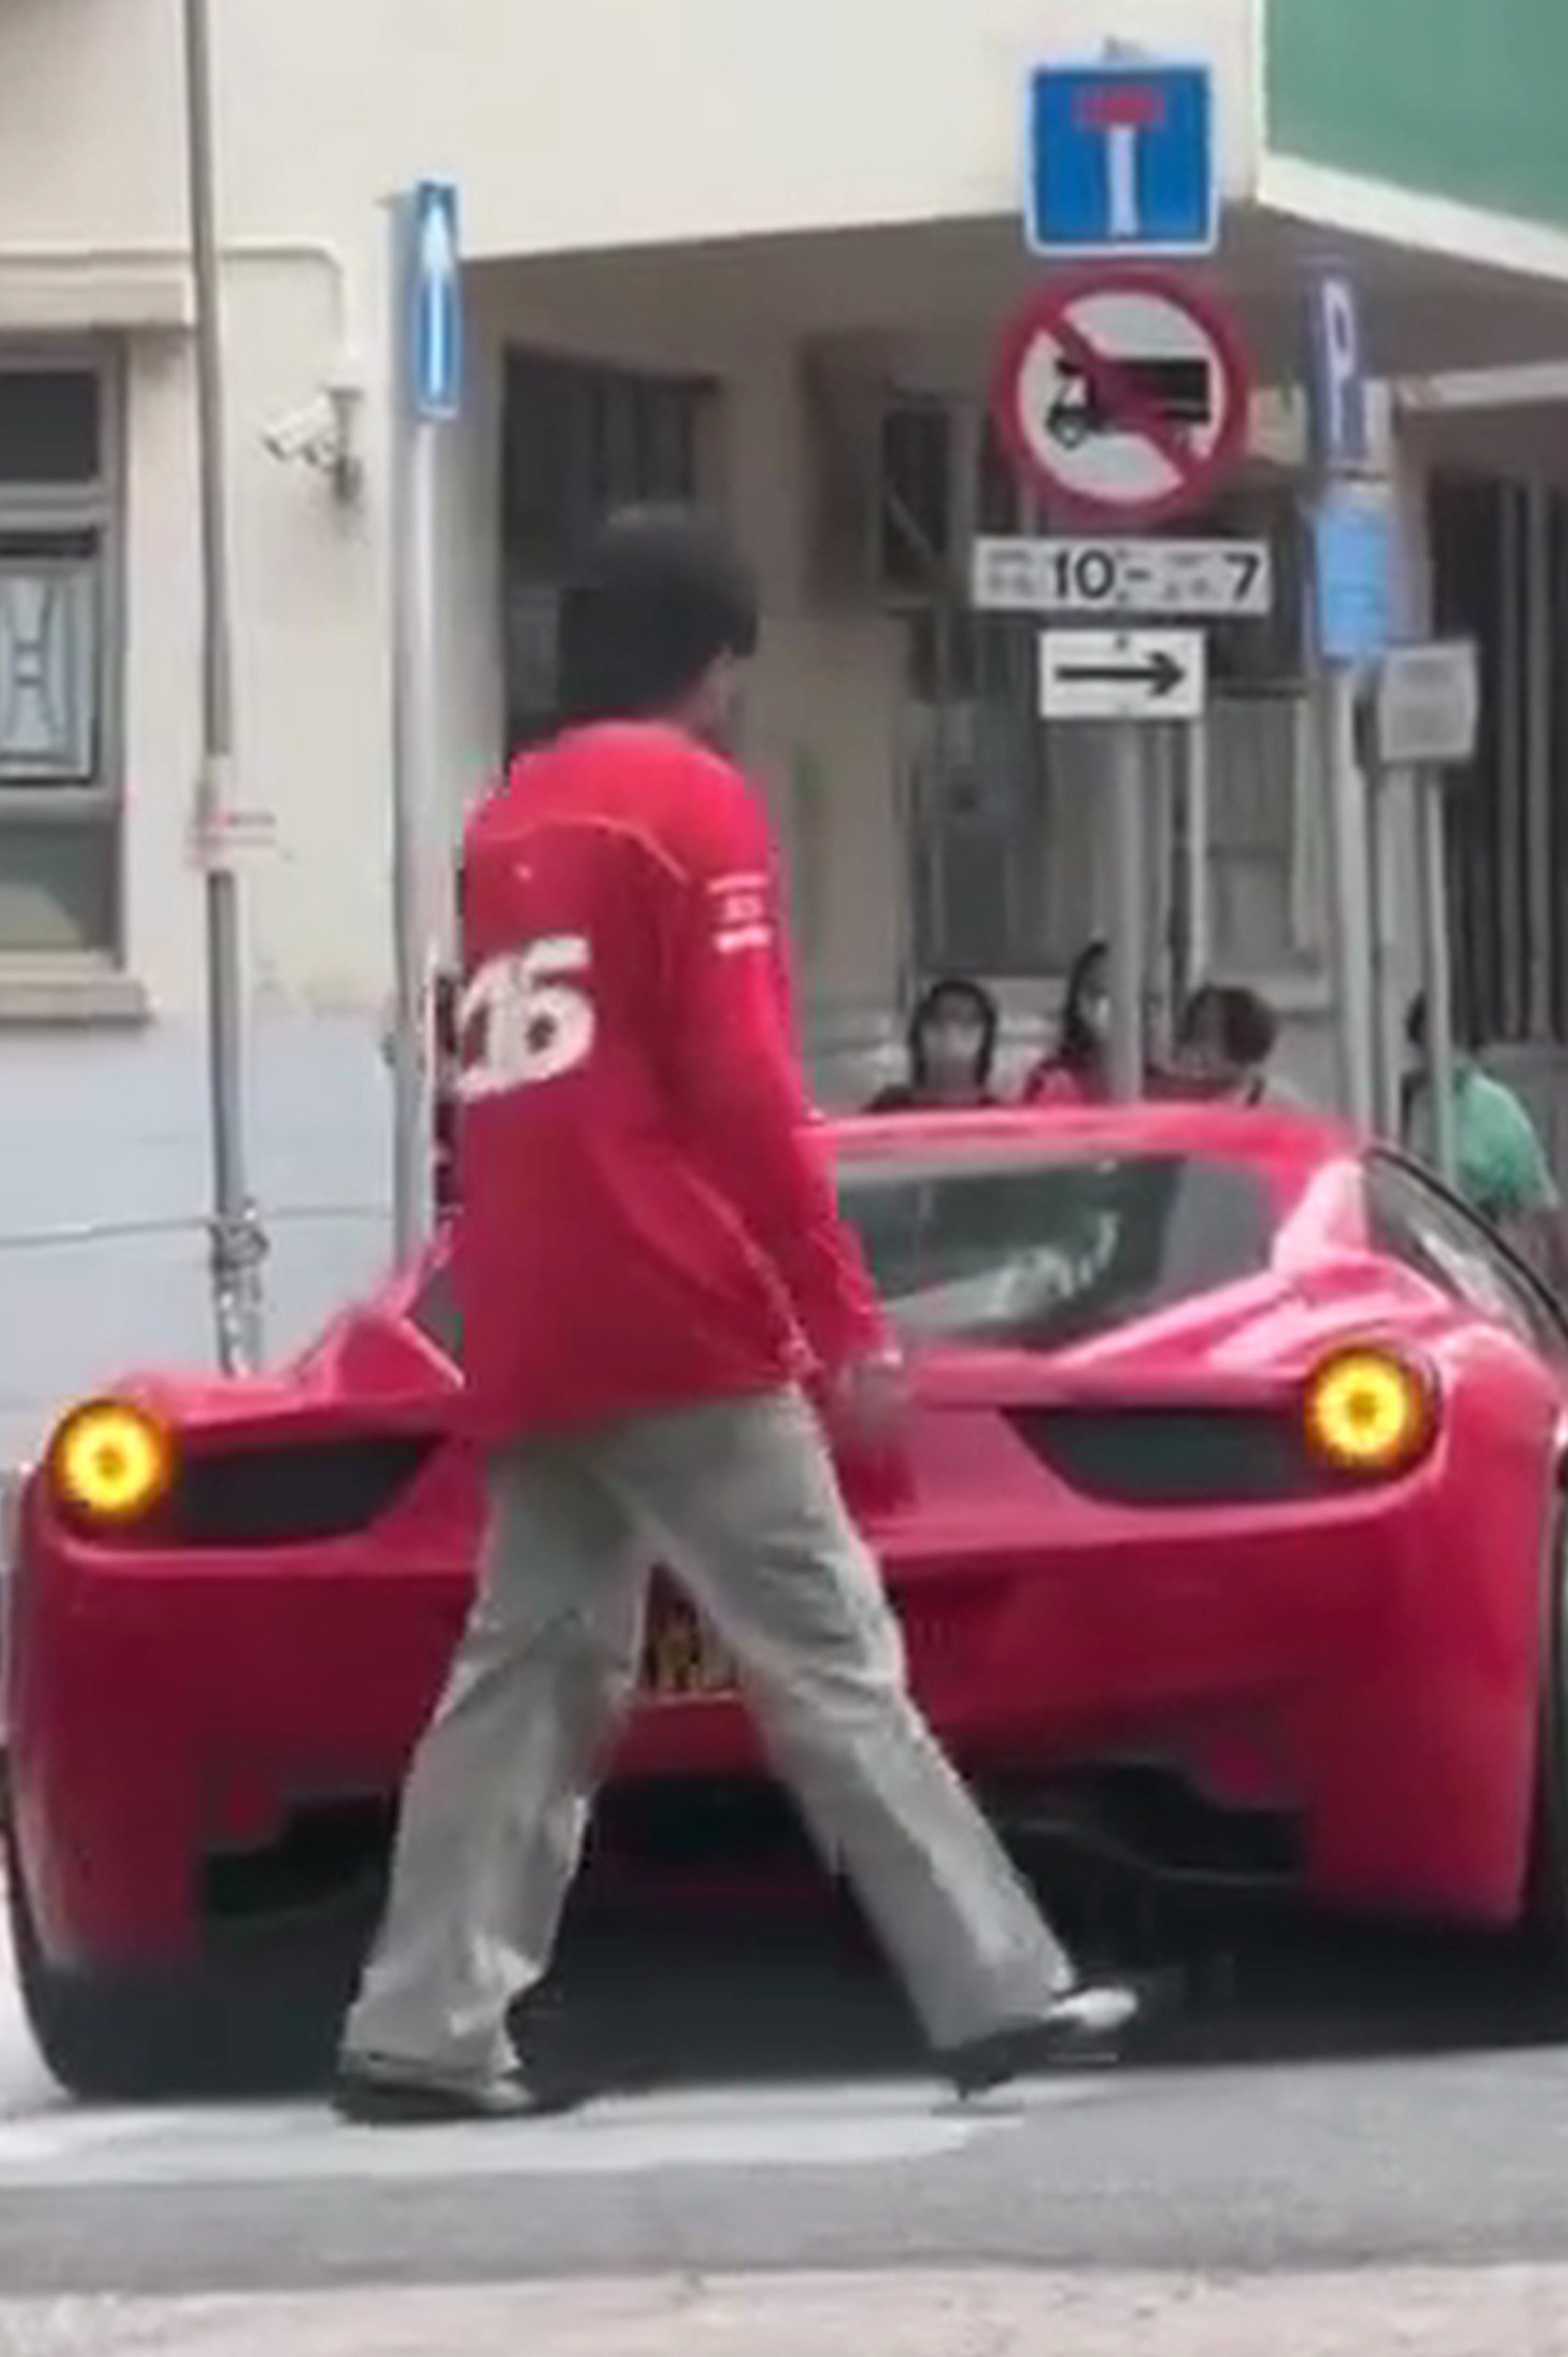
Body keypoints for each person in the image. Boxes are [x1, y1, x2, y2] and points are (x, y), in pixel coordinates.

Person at [328, 508, 1142, 2125]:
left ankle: (421, 2014)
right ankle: (993, 1985)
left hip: (529, 1302)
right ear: (714, 660)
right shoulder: (690, 806)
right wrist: (840, 1318)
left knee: (529, 1665)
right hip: (678, 1305)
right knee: (827, 1649)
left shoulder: (505, 819)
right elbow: (741, 1086)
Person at [1399, 997, 1568, 1292]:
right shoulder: (1410, 1103)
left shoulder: (1493, 1107)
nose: (1436, 1052)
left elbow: (1536, 1188)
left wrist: (1560, 1257)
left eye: (1450, 1041)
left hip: (1484, 1254)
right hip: (1423, 1256)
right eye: (1426, 1042)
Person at [864, 977, 1004, 1112]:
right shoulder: (888, 1109)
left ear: (986, 1038)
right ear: (917, 1035)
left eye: (968, 1022)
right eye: (938, 1021)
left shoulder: (1000, 1117)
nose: (951, 1032)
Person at [1018, 941, 1114, 1105]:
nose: (1103, 1007)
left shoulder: (1157, 1090)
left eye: (1110, 996)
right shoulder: (1055, 1082)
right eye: (1094, 994)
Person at [1162, 982, 1283, 1105]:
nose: (1188, 1050)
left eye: (1204, 1034)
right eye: (1189, 1031)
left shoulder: (1277, 1107)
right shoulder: (1166, 1092)